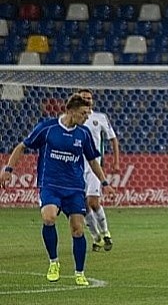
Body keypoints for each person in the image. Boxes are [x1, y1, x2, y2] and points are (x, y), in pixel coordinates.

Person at [0, 93, 116, 286]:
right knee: (49, 217)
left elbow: (93, 161)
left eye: (88, 113)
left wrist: (105, 183)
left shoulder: (84, 134)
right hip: (50, 185)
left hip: (74, 187)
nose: (87, 117)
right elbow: (22, 146)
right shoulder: (48, 128)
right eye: (83, 113)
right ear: (70, 111)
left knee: (78, 229)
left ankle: (80, 273)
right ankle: (54, 263)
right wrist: (8, 169)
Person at [78, 89, 120, 252]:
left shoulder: (99, 118)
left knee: (93, 202)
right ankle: (96, 238)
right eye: (83, 98)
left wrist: (116, 161)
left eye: (89, 98)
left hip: (94, 166)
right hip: (75, 166)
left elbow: (113, 139)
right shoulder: (73, 119)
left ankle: (106, 233)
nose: (87, 100)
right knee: (83, 205)